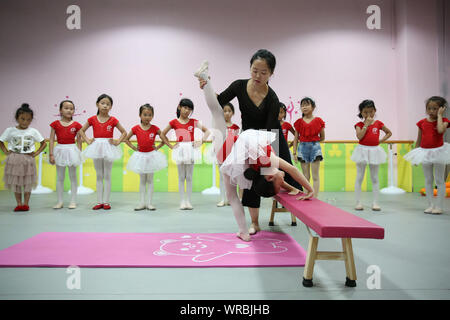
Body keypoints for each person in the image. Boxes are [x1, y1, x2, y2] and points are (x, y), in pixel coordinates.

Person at [195, 62, 314, 241]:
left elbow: (291, 170)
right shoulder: (257, 175)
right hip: (226, 155)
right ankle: (244, 231)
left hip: (233, 150)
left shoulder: (268, 160)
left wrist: (307, 188)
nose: (258, 75)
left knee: (216, 112)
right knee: (216, 112)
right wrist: (305, 188)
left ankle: (205, 78)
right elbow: (289, 173)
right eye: (255, 71)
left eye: (263, 72)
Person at [79, 94, 127, 210]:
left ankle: (106, 202)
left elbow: (124, 132)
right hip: (96, 147)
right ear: (97, 104)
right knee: (99, 175)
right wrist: (87, 140)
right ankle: (99, 201)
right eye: (103, 103)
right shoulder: (92, 119)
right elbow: (81, 130)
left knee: (107, 175)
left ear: (111, 107)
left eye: (108, 104)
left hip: (109, 147)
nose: (105, 106)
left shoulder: (113, 120)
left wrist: (117, 142)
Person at [161, 98, 210, 210]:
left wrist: (201, 141)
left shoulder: (193, 122)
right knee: (181, 177)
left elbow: (207, 131)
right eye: (185, 107)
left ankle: (188, 201)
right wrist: (171, 146)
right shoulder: (174, 122)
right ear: (179, 107)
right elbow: (163, 134)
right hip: (180, 150)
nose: (187, 110)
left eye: (189, 109)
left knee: (189, 177)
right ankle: (182, 201)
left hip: (191, 149)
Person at [404, 96, 449, 214]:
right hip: (424, 152)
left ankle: (439, 206)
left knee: (439, 180)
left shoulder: (444, 121)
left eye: (435, 109)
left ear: (441, 109)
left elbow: (440, 130)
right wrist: (414, 156)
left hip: (439, 152)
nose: (431, 111)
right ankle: (430, 205)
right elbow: (418, 140)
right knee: (428, 179)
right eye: (429, 108)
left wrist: (440, 116)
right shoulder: (422, 123)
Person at [124, 103, 172, 211]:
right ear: (140, 115)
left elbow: (165, 139)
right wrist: (133, 147)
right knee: (142, 181)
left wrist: (158, 147)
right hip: (140, 156)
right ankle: (141, 203)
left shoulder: (155, 128)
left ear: (152, 116)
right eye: (145, 114)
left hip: (151, 156)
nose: (147, 117)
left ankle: (150, 203)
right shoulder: (136, 128)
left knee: (150, 180)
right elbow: (126, 139)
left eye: (150, 115)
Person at [0, 103, 47, 212]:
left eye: (28, 120)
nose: (25, 122)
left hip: (28, 159)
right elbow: (1, 141)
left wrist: (36, 153)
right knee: (16, 183)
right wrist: (6, 151)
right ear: (17, 118)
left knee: (27, 182)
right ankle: (19, 203)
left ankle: (26, 204)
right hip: (14, 159)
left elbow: (43, 143)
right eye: (22, 119)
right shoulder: (10, 130)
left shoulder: (33, 131)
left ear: (31, 120)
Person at [350, 100, 392, 211]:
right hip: (362, 151)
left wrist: (381, 140)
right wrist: (366, 125)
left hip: (375, 151)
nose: (368, 114)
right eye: (365, 112)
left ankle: (376, 203)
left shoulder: (379, 124)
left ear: (375, 111)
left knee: (374, 177)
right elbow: (359, 137)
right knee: (359, 177)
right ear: (361, 113)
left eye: (371, 111)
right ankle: (358, 202)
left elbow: (389, 132)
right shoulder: (359, 125)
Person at [49, 100, 83, 209]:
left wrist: (79, 153)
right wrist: (51, 154)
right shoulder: (55, 124)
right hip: (59, 150)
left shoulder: (77, 125)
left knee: (73, 176)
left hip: (72, 150)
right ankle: (59, 201)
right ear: (60, 110)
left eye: (71, 108)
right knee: (60, 177)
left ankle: (73, 201)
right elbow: (51, 139)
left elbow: (79, 140)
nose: (69, 110)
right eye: (66, 108)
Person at [292, 97, 325, 197]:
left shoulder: (318, 121)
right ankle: (306, 194)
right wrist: (294, 153)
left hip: (315, 149)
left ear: (313, 107)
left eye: (307, 104)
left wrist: (313, 142)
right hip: (302, 149)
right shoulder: (299, 122)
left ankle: (315, 197)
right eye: (302, 105)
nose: (304, 107)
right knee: (305, 176)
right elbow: (296, 139)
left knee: (315, 176)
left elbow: (322, 137)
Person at [217, 102, 240, 207]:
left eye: (229, 111)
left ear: (233, 113)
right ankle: (222, 199)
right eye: (224, 111)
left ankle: (231, 199)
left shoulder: (235, 127)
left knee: (232, 178)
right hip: (221, 154)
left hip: (232, 155)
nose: (226, 113)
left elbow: (237, 142)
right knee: (222, 178)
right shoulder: (219, 125)